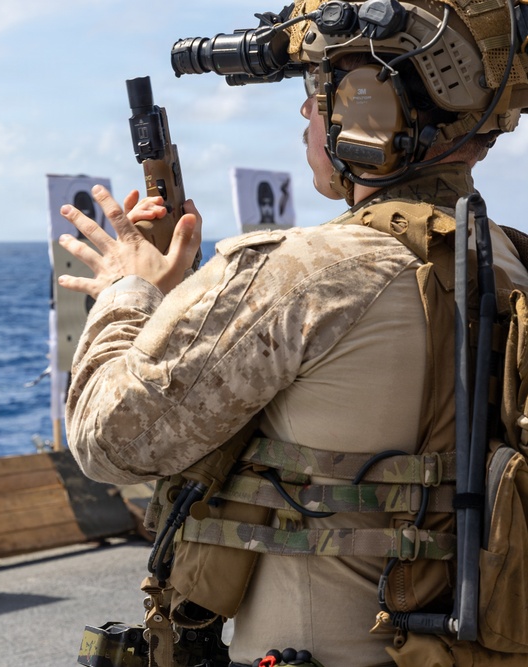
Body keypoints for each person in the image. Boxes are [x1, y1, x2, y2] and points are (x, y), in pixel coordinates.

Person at [56, 1, 528, 666]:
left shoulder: (306, 276)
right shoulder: (508, 263)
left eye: (320, 89)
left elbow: (109, 441)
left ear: (372, 103)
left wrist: (127, 291)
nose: (309, 113)